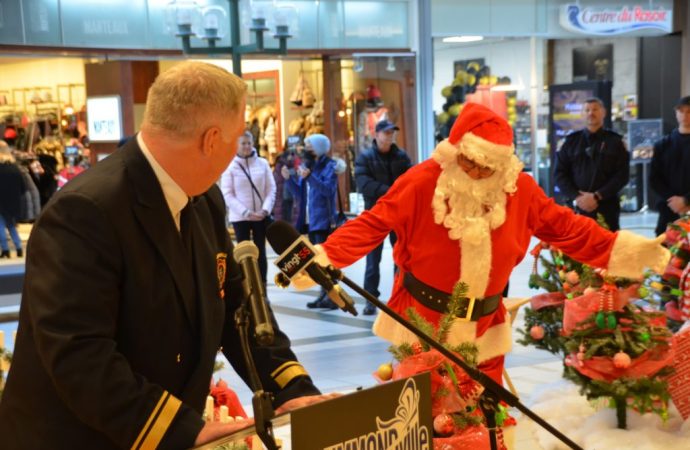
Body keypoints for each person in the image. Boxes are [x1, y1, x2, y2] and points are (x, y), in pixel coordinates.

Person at [0, 62, 328, 449]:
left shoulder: (204, 197)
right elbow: (79, 353)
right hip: (83, 437)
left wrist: (294, 389)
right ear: (211, 139)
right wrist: (179, 430)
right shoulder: (84, 211)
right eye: (239, 135)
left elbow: (238, 311)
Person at [310, 103, 669, 385]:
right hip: (425, 321)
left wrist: (626, 251)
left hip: (486, 325)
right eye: (472, 163)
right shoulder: (422, 181)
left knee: (485, 418)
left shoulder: (519, 189)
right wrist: (324, 256)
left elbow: (568, 228)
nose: (480, 173)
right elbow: (375, 221)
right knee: (427, 421)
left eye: (489, 167)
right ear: (456, 151)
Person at [355, 119, 412, 315]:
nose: (390, 136)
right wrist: (390, 192)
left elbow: (411, 180)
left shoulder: (401, 156)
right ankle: (371, 299)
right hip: (376, 215)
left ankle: (400, 297)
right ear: (377, 135)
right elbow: (364, 184)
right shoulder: (365, 157)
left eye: (392, 133)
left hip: (398, 215)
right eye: (386, 133)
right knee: (373, 260)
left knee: (401, 258)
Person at [554, 97, 629, 231]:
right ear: (582, 114)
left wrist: (597, 196)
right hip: (577, 207)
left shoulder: (616, 142)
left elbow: (622, 175)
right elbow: (559, 173)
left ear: (604, 112)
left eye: (595, 109)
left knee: (607, 248)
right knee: (575, 249)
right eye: (587, 110)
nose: (591, 113)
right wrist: (577, 197)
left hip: (607, 207)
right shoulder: (570, 142)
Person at [284, 134, 339, 310]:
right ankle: (324, 294)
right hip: (311, 220)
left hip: (324, 220)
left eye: (310, 145)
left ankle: (332, 296)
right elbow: (300, 193)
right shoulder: (308, 165)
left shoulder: (330, 165)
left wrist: (310, 178)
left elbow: (328, 190)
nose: (307, 148)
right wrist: (288, 180)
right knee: (316, 261)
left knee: (327, 261)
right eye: (306, 144)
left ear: (320, 146)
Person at [221, 131, 276, 283]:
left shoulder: (263, 163)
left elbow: (271, 189)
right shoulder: (230, 166)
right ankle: (247, 285)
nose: (246, 146)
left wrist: (265, 210)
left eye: (249, 143)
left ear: (253, 143)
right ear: (237, 145)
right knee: (243, 254)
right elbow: (227, 193)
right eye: (243, 143)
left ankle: (262, 286)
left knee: (260, 251)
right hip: (240, 217)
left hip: (260, 216)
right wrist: (246, 212)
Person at [650, 95, 690, 236]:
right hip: (669, 208)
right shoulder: (663, 144)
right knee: (666, 254)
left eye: (689, 111)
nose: (685, 115)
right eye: (681, 111)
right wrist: (673, 201)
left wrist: (686, 200)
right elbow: (654, 178)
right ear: (676, 113)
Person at [0, 140, 26, 258]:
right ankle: (19, 247)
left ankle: (5, 249)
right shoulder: (15, 168)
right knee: (10, 225)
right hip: (13, 202)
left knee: (0, 225)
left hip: (1, 201)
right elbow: (23, 188)